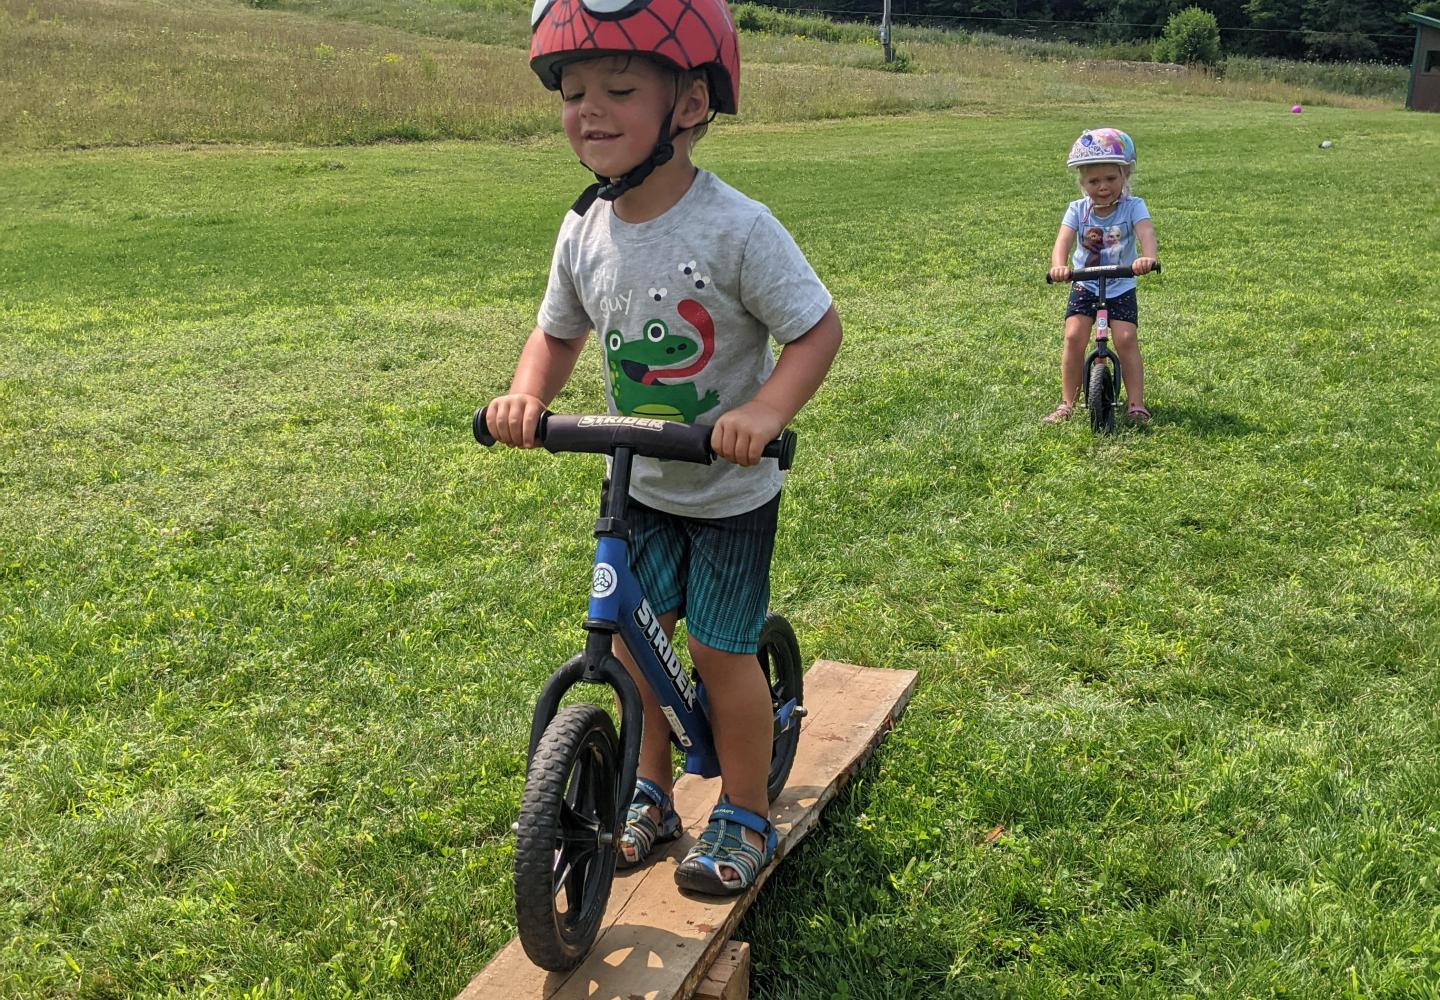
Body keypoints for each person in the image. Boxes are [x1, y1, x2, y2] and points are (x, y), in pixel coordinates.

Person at [486, 0, 842, 896]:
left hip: (727, 495)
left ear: (687, 104)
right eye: (572, 92)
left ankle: (748, 809)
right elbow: (557, 334)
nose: (588, 109)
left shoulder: (737, 228)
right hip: (639, 482)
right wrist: (529, 395)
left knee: (721, 656)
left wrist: (762, 412)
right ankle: (647, 790)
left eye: (617, 88)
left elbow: (815, 330)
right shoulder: (582, 229)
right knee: (642, 652)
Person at [1044, 128, 1158, 425]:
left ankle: (1136, 403)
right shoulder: (1078, 210)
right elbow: (1063, 241)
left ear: (1125, 176)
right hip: (1084, 284)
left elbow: (1146, 231)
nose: (1103, 186)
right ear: (1082, 182)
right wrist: (1059, 265)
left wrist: (1147, 257)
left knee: (1125, 338)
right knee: (1073, 336)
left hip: (1120, 284)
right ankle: (1066, 402)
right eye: (1094, 181)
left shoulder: (1134, 206)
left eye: (1110, 178)